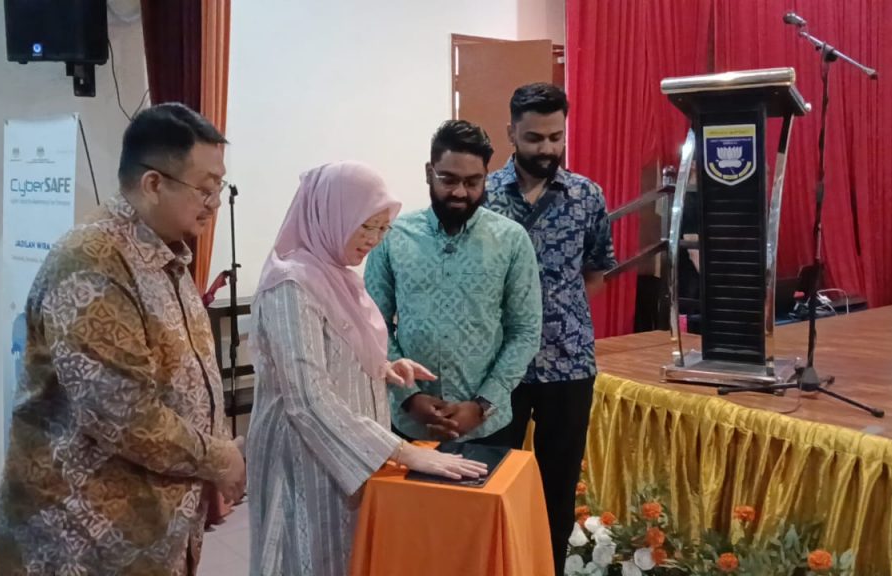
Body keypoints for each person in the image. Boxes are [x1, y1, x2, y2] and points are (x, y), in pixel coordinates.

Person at [0, 103, 246, 575]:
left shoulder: (165, 254)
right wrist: (218, 457)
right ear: (153, 184)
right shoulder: (94, 260)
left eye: (220, 187)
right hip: (84, 538)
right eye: (205, 188)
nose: (214, 202)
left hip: (150, 527)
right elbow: (124, 414)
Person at [246, 161, 487, 576]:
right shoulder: (291, 284)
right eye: (365, 227)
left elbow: (335, 350)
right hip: (305, 455)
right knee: (306, 556)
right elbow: (307, 397)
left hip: (347, 450)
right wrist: (404, 451)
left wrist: (383, 366)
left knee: (346, 552)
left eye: (382, 228)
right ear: (331, 213)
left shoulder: (335, 275)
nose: (373, 240)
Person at [484, 83, 617, 576]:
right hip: (499, 368)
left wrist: (559, 314)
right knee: (492, 479)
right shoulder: (484, 195)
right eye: (534, 138)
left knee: (558, 489)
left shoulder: (586, 196)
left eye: (555, 137)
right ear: (511, 133)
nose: (546, 148)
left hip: (569, 365)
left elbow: (596, 272)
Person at [364, 120, 542, 444]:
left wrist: (483, 404)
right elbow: (374, 324)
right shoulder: (392, 236)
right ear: (429, 172)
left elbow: (525, 331)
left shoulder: (511, 240)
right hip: (409, 422)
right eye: (448, 179)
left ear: (486, 177)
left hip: (489, 426)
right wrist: (409, 397)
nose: (460, 192)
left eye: (473, 181)